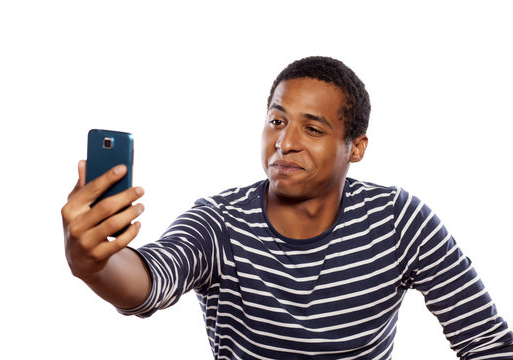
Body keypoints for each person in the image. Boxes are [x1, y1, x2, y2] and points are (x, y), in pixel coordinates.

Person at [62, 56, 513, 359]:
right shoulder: (220, 221)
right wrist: (92, 262)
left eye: (312, 129)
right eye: (277, 121)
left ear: (355, 148)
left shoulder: (398, 220)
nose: (285, 142)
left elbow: (487, 340)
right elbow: (149, 282)